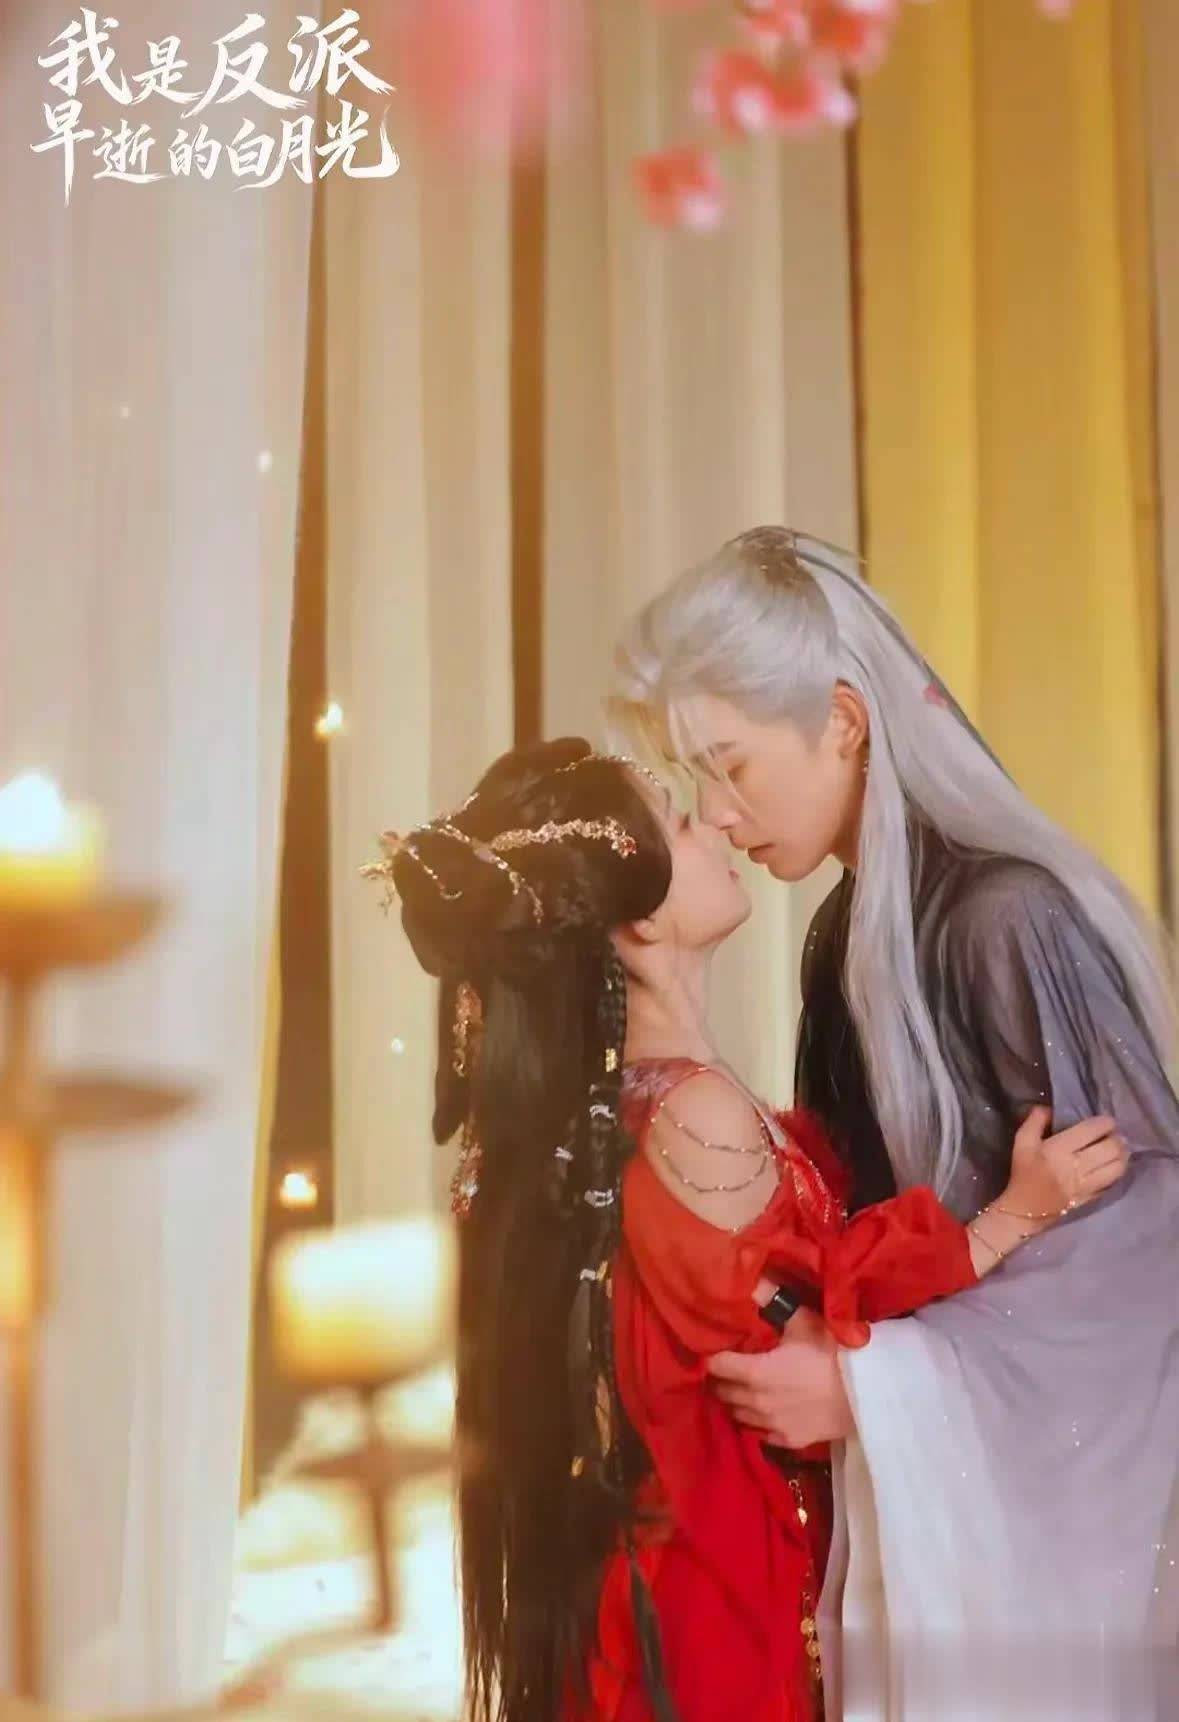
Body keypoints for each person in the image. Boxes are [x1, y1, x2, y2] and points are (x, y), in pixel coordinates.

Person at [364, 737, 1122, 1722]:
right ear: (640, 921)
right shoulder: (691, 1115)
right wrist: (1012, 1217)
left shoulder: (637, 1110)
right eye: (683, 823)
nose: (718, 829)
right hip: (727, 1606)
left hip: (684, 1588)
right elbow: (808, 1328)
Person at [615, 524, 1179, 1718]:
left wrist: (879, 1395)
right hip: (917, 1503)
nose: (717, 815)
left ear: (843, 721)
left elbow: (1143, 1258)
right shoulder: (843, 935)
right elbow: (853, 1227)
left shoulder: (1007, 920)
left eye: (732, 766)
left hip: (1050, 1524)